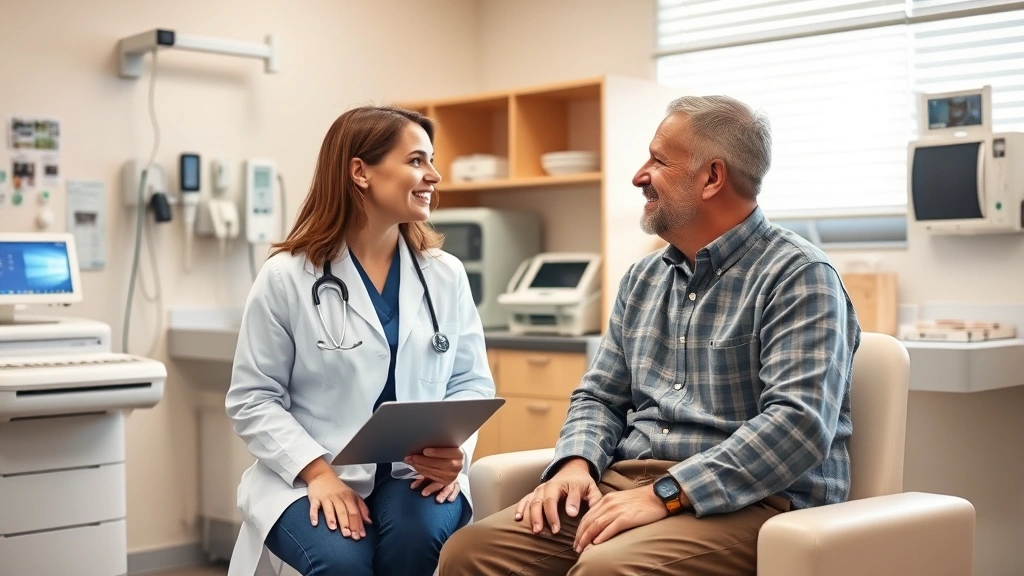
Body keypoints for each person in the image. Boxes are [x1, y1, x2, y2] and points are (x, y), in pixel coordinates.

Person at [439, 95, 861, 575]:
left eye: (658, 161)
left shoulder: (799, 275)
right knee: (469, 552)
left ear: (712, 178)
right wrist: (576, 463)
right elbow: (599, 396)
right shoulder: (643, 279)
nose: (640, 175)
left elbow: (798, 425)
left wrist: (668, 494)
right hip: (628, 486)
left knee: (606, 570)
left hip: (754, 501)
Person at [225, 106, 495, 576]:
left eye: (431, 161)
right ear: (360, 172)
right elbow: (253, 398)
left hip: (417, 471)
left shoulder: (444, 274)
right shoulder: (287, 277)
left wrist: (456, 452)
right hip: (312, 468)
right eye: (416, 160)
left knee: (418, 541)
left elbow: (471, 381)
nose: (433, 175)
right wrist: (317, 473)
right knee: (342, 561)